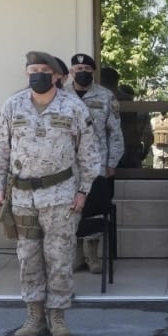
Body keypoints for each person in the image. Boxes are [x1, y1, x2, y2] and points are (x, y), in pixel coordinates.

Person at [0, 51, 101, 336]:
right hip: (23, 196)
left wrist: (83, 191)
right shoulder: (13, 105)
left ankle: (58, 316)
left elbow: (89, 153)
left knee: (60, 257)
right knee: (28, 257)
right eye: (32, 70)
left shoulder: (73, 107)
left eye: (43, 70)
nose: (36, 74)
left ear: (56, 76)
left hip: (61, 195)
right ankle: (34, 316)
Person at [68, 52, 125, 273]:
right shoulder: (61, 96)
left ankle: (93, 256)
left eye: (86, 70)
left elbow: (115, 133)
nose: (82, 73)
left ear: (93, 72)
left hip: (96, 165)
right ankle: (77, 255)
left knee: (93, 209)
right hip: (66, 168)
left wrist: (112, 162)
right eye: (78, 70)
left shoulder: (105, 96)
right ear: (72, 72)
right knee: (70, 210)